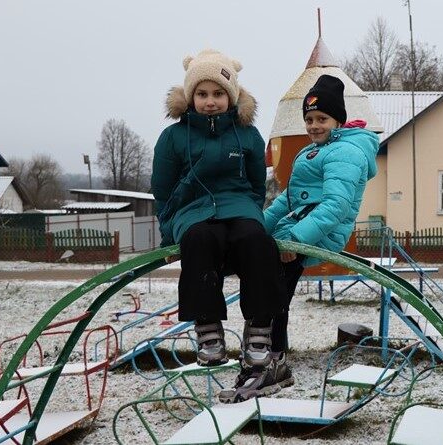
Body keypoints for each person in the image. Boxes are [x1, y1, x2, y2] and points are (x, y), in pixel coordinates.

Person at [223, 74, 378, 400]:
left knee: (272, 293)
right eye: (309, 119)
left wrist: (296, 240)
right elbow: (287, 200)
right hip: (298, 226)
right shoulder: (312, 151)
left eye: (322, 118)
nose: (314, 125)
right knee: (269, 290)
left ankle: (270, 361)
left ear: (339, 119)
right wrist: (257, 227)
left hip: (317, 232)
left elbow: (335, 206)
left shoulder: (346, 152)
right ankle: (268, 358)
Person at [151, 49, 288, 401]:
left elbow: (258, 184)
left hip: (238, 205)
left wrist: (252, 214)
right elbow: (163, 190)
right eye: (202, 94)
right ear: (190, 97)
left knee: (258, 241)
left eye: (218, 94)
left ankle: (259, 328)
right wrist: (169, 236)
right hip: (192, 210)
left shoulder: (248, 136)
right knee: (198, 240)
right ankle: (208, 328)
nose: (210, 102)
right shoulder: (173, 138)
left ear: (232, 96)